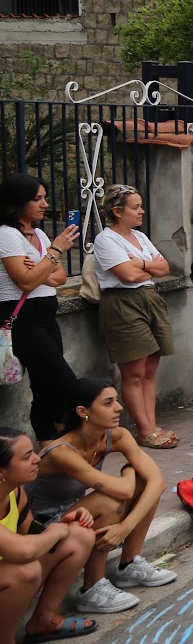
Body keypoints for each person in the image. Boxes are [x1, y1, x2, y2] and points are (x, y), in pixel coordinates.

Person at [28, 380, 171, 614]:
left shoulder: (117, 436)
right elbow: (124, 491)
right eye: (108, 402)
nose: (119, 408)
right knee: (109, 501)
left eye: (116, 399)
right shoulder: (61, 452)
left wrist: (125, 527)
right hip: (42, 524)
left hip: (74, 511)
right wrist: (128, 471)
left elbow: (158, 482)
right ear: (83, 412)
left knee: (145, 483)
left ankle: (129, 565)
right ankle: (92, 588)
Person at [0, 427, 99, 644]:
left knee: (79, 535)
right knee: (26, 569)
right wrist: (55, 531)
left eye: (33, 452)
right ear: (1, 472)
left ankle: (42, 621)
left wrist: (65, 524)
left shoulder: (16, 493)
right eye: (26, 457)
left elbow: (32, 536)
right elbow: (23, 551)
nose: (37, 459)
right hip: (10, 576)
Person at [92, 185, 176, 449]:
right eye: (135, 207)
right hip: (123, 304)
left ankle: (152, 425)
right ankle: (144, 430)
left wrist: (140, 264)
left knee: (150, 370)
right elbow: (126, 277)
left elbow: (164, 268)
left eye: (140, 205)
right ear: (118, 211)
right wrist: (147, 269)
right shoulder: (106, 240)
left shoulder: (140, 237)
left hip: (149, 300)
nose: (141, 211)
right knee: (134, 373)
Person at [0, 173, 81, 443]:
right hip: (23, 319)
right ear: (17, 202)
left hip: (47, 317)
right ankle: (64, 438)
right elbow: (24, 283)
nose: (44, 204)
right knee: (66, 383)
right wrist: (54, 252)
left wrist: (40, 269)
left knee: (44, 387)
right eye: (37, 199)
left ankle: (48, 447)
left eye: (44, 197)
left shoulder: (38, 233)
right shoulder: (7, 235)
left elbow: (59, 278)